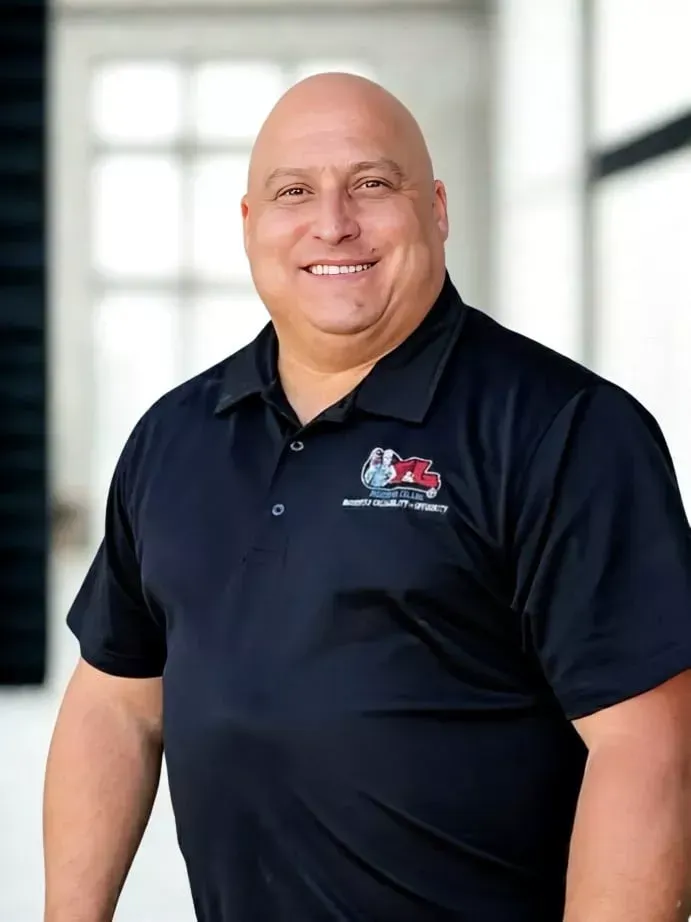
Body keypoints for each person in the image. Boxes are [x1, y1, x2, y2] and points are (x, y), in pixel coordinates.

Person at [43, 72, 691, 922]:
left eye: (373, 184)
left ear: (437, 209)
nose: (332, 222)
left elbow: (650, 748)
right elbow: (117, 703)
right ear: (249, 222)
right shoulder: (175, 435)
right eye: (294, 192)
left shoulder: (563, 429)